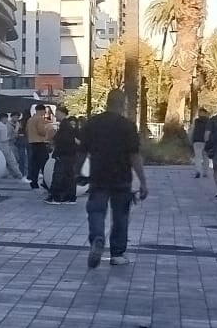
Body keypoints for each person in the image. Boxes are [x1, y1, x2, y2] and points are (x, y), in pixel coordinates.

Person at [79, 90, 148, 268]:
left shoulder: (93, 123)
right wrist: (143, 182)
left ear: (107, 102)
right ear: (123, 103)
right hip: (121, 177)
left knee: (96, 211)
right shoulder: (127, 126)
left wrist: (77, 173)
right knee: (120, 216)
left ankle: (97, 237)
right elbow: (134, 155)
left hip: (98, 176)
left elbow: (82, 151)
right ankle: (117, 253)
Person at [47, 114, 82, 204]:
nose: (72, 126)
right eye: (71, 124)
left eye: (74, 124)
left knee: (64, 176)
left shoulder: (76, 134)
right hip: (67, 156)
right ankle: (65, 196)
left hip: (70, 156)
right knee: (65, 176)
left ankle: (61, 197)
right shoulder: (66, 133)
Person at [26, 104, 57, 191]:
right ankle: (46, 182)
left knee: (34, 164)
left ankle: (34, 182)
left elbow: (27, 130)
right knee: (44, 164)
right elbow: (41, 131)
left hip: (32, 142)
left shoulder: (30, 119)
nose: (44, 113)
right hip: (40, 143)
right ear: (42, 110)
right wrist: (47, 130)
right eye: (44, 111)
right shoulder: (40, 119)